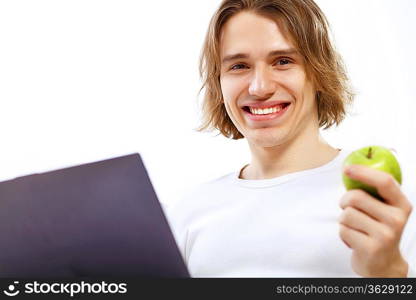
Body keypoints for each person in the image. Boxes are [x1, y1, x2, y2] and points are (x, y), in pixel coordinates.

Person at [166, 0, 415, 277]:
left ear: (319, 73)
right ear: (219, 83)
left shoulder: (387, 196)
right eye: (238, 66)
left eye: (283, 61)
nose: (259, 87)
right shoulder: (187, 212)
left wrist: (389, 275)